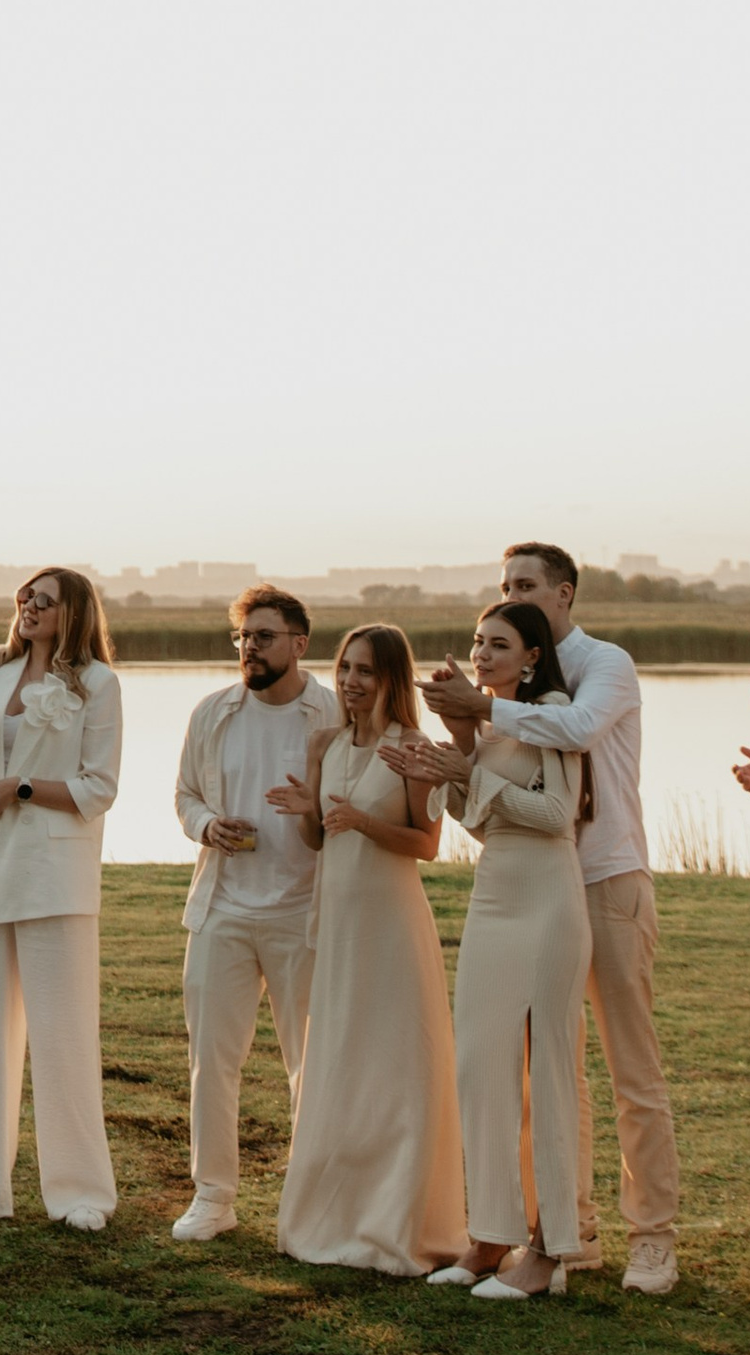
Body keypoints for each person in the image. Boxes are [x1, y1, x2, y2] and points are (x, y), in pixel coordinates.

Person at [421, 541, 677, 1292]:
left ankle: (652, 1239)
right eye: (504, 585)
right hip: (529, 884)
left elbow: (574, 731)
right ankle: (570, 1230)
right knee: (541, 1073)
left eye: (527, 584)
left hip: (606, 876)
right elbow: (492, 804)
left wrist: (482, 708)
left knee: (630, 1070)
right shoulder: (506, 693)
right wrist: (463, 746)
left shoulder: (604, 665)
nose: (513, 594)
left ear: (564, 593)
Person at [390, 600, 589, 1301]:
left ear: (532, 656)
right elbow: (484, 825)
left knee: (548, 1073)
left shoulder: (552, 714)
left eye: (498, 644)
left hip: (549, 901)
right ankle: (491, 1236)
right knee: (480, 1066)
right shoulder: (489, 725)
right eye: (477, 641)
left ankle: (550, 1250)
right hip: (495, 895)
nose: (482, 654)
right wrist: (450, 757)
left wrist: (471, 773)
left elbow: (555, 816)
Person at [0, 568, 124, 1232]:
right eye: (25, 597)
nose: (29, 607)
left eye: (45, 600)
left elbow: (99, 787)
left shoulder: (98, 683)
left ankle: (80, 1191)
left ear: (74, 613)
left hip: (51, 871)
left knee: (61, 1032)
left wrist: (19, 787)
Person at [270, 625, 464, 1278]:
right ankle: (333, 1215)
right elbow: (319, 839)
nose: (351, 682)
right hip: (338, 923)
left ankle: (397, 1222)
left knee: (396, 1065)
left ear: (391, 680)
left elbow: (426, 846)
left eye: (366, 672)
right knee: (341, 1062)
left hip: (391, 925)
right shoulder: (323, 742)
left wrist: (363, 821)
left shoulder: (413, 748)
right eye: (345, 668)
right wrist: (310, 809)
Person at [170, 587, 342, 1241]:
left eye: (263, 637)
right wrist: (207, 825)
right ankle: (213, 1196)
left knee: (311, 1062)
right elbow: (185, 795)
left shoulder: (334, 713)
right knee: (212, 1059)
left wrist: (314, 809)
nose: (250, 648)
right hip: (222, 907)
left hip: (305, 910)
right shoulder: (212, 713)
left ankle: (313, 1200)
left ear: (300, 644)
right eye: (243, 637)